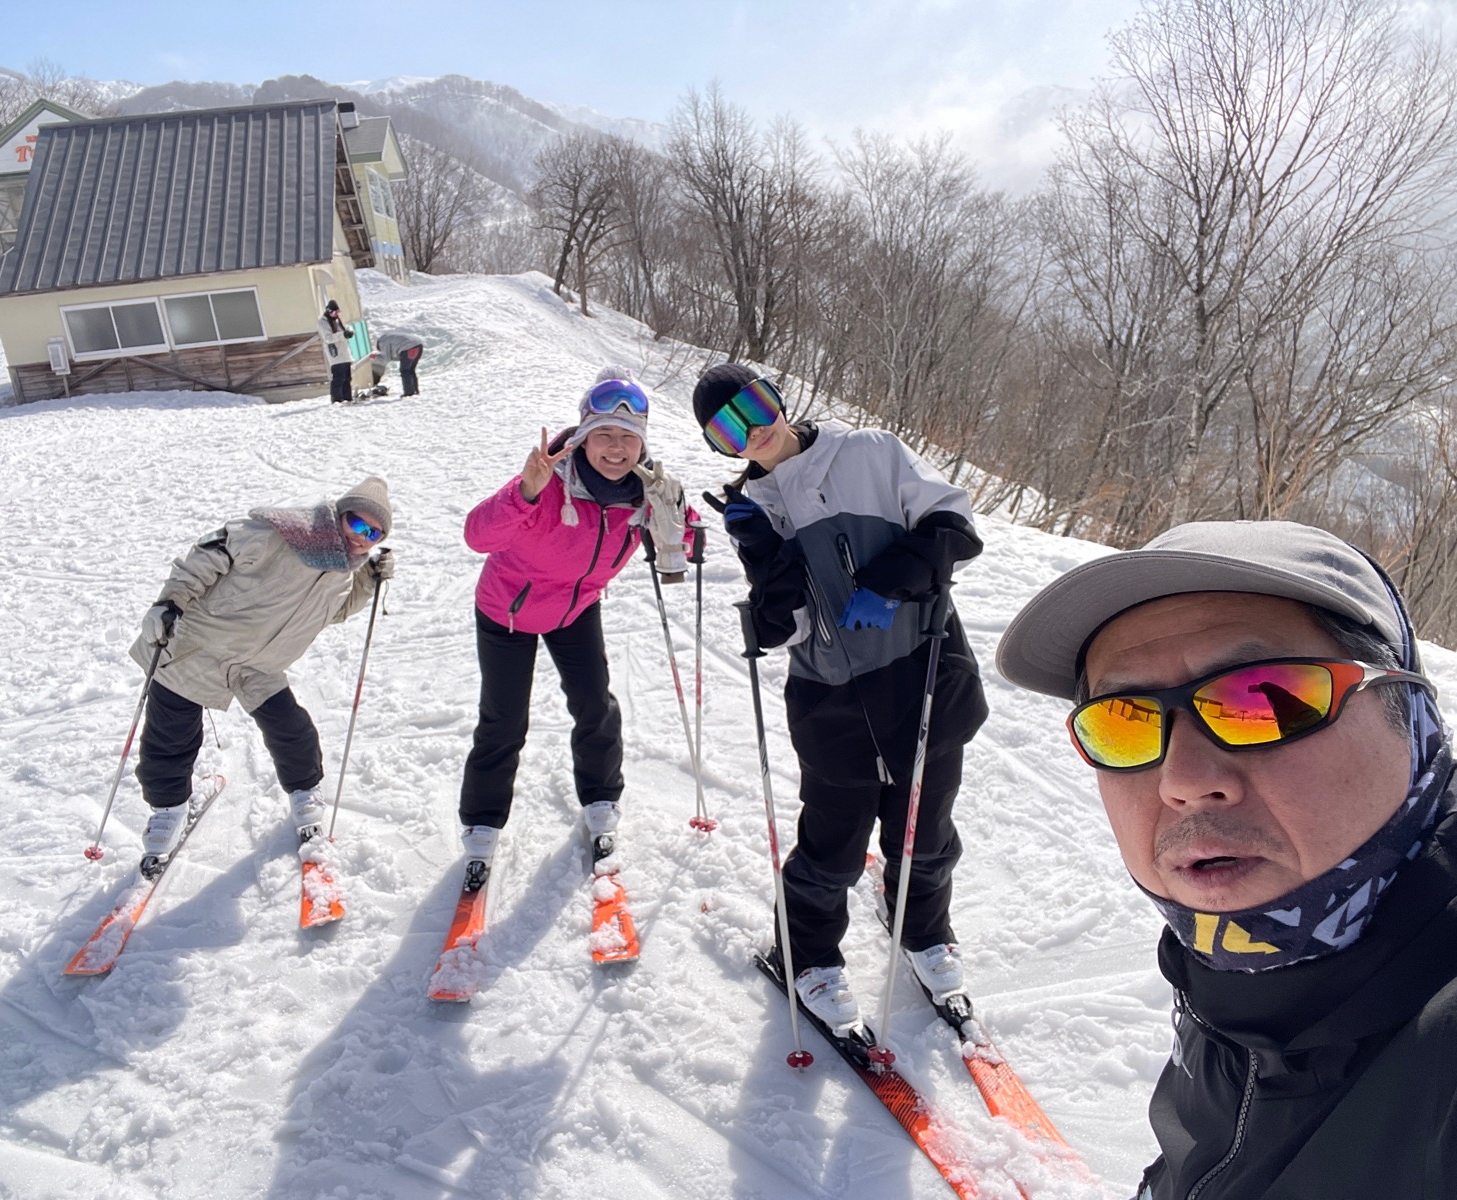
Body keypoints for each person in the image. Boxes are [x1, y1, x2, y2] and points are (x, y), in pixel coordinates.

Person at [996, 520, 1457, 1200]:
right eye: (1124, 721)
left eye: (1266, 701)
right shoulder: (1229, 972)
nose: (1183, 781)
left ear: (1412, 717)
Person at [692, 363, 989, 1032]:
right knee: (832, 847)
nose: (753, 430)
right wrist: (765, 555)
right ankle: (805, 954)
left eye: (756, 406)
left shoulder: (869, 452)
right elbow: (787, 627)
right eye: (728, 430)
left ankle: (922, 928)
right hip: (832, 701)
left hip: (923, 674)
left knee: (925, 832)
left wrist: (888, 582)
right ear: (720, 446)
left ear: (776, 397)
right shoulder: (757, 507)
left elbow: (953, 524)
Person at [457, 370, 692, 888]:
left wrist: (677, 522)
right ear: (583, 436)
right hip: (508, 610)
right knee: (503, 720)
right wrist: (525, 492)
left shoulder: (647, 490)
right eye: (604, 434)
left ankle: (602, 801)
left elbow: (684, 543)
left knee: (595, 706)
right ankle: (482, 823)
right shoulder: (547, 480)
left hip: (575, 609)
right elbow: (477, 536)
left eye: (628, 436)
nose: (616, 447)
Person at [130, 477, 395, 858]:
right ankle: (167, 811)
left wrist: (369, 579)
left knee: (293, 731)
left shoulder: (344, 570)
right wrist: (169, 602)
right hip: (198, 647)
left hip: (259, 665)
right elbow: (209, 555)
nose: (361, 537)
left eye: (373, 533)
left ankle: (304, 794)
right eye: (356, 523)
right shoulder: (282, 533)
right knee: (170, 736)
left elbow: (333, 612)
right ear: (339, 513)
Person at [318, 301, 355, 404]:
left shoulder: (338, 321)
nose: (336, 315)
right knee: (339, 378)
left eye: (338, 312)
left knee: (347, 378)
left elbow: (346, 329)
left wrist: (349, 332)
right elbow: (328, 338)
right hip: (336, 355)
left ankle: (347, 398)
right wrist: (343, 335)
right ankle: (337, 400)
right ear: (329, 311)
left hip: (345, 354)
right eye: (334, 313)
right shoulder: (323, 322)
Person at [376, 330, 425, 397]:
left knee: (405, 371)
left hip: (408, 347)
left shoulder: (382, 342)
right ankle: (415, 391)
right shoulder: (389, 337)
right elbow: (399, 356)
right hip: (418, 345)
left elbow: (385, 358)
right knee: (411, 370)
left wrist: (374, 358)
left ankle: (409, 393)